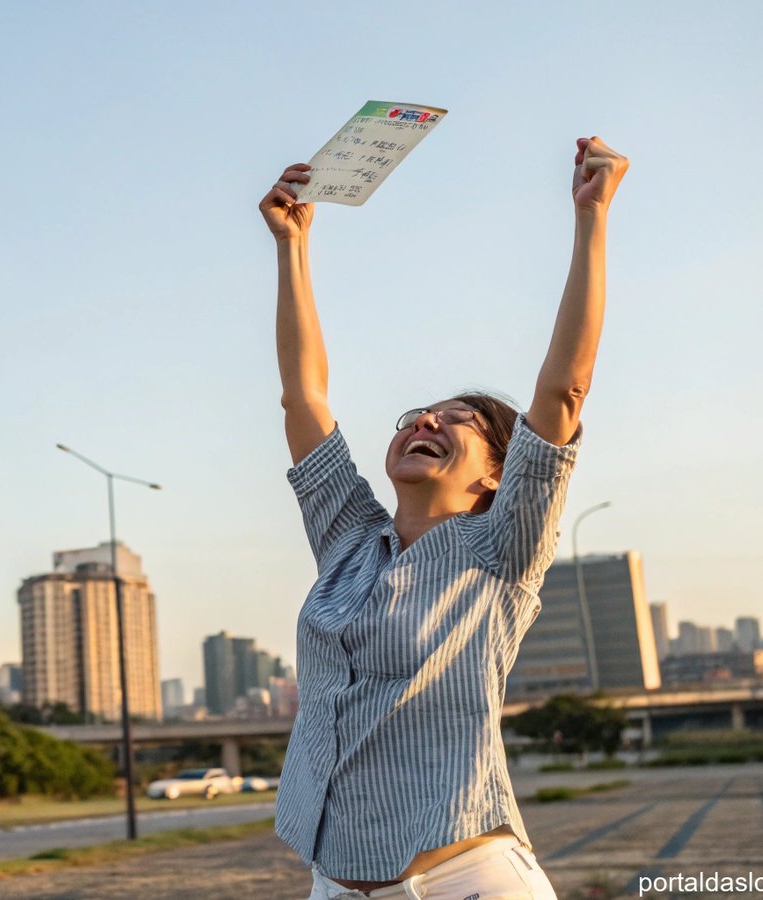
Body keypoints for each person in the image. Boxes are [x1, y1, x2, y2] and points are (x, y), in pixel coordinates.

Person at [259, 136, 629, 899]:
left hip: (466, 878)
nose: (427, 418)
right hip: (334, 885)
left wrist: (592, 218)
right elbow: (304, 399)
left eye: (459, 420)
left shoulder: (501, 548)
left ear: (497, 471)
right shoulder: (348, 543)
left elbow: (564, 393)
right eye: (418, 413)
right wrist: (293, 247)